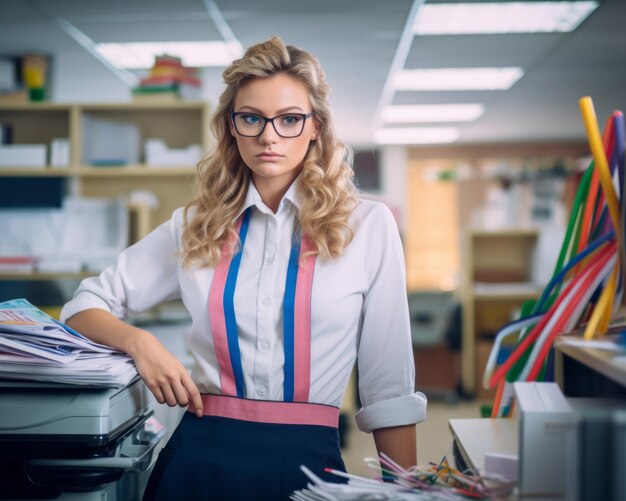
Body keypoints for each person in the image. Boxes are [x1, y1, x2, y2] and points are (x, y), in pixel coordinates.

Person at [61, 36, 426, 500]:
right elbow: (82, 306)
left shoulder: (369, 227)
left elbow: (388, 389)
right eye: (251, 118)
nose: (268, 136)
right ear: (232, 127)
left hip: (308, 466)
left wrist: (409, 494)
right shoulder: (195, 225)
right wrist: (140, 343)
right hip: (197, 461)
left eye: (289, 119)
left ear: (316, 127)